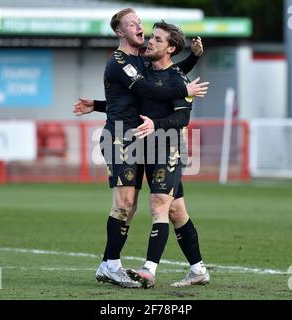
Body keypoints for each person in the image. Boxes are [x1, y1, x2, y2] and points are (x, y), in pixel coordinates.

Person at [73, 8, 209, 288]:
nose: (139, 27)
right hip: (120, 137)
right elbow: (149, 90)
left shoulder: (145, 61)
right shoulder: (120, 61)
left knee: (174, 210)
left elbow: (170, 73)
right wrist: (185, 91)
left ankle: (197, 269)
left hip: (146, 139)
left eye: (139, 22)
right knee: (125, 203)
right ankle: (112, 265)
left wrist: (193, 57)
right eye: (132, 23)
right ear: (119, 32)